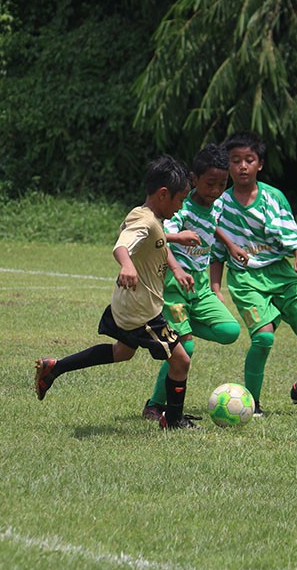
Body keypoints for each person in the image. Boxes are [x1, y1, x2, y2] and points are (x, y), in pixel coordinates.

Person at [34, 154, 198, 430]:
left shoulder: (148, 217)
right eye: (180, 200)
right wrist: (127, 265)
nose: (181, 206)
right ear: (163, 194)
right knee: (181, 361)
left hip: (129, 304)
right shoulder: (143, 221)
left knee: (123, 352)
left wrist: (177, 267)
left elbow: (157, 241)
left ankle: (55, 367)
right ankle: (173, 420)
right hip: (142, 310)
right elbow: (122, 245)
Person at [209, 130, 297, 414]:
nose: (242, 166)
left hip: (281, 274)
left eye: (249, 160)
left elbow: (292, 234)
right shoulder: (219, 204)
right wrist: (216, 289)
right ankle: (252, 404)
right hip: (246, 280)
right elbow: (217, 253)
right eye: (235, 161)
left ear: (260, 164)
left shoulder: (273, 197)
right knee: (263, 338)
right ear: (227, 166)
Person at [142, 144, 244, 422]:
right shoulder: (180, 207)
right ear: (194, 179)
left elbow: (211, 224)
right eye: (210, 184)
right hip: (176, 287)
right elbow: (161, 239)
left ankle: (179, 326)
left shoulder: (218, 203)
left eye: (223, 184)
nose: (216, 190)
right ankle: (154, 404)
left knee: (229, 330)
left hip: (199, 286)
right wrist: (176, 267)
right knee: (183, 349)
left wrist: (230, 245)